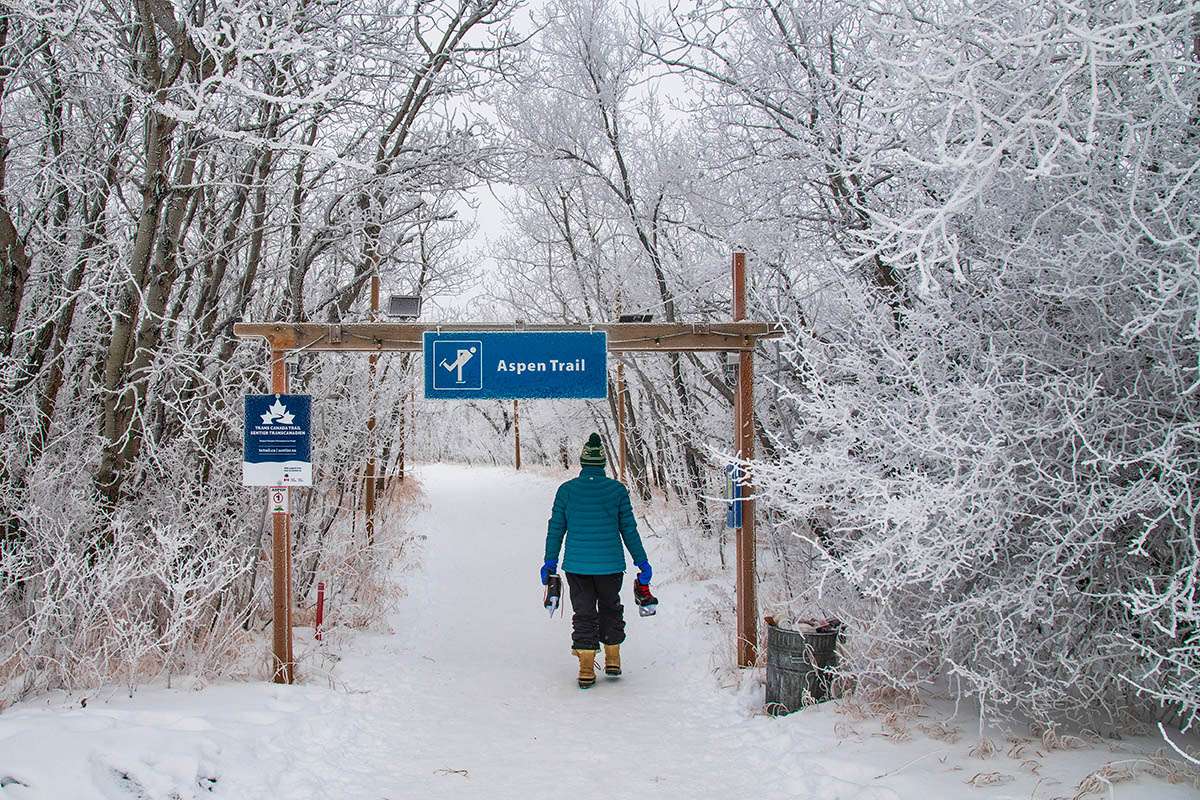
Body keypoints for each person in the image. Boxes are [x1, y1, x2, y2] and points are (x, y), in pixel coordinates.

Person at [541, 432, 652, 689]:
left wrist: (550, 561)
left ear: (582, 463)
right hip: (610, 565)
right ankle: (613, 659)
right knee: (610, 607)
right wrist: (642, 562)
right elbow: (629, 530)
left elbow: (556, 528)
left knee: (584, 612)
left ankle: (586, 668)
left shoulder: (566, 491)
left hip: (577, 566)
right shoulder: (617, 491)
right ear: (603, 464)